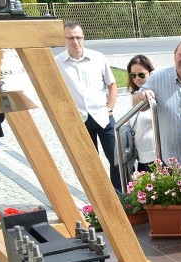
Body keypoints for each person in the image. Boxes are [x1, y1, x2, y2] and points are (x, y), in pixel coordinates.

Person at [55, 21, 120, 190]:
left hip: (103, 117)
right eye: (70, 38)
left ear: (83, 37)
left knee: (117, 159)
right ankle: (100, 196)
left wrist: (109, 108)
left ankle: (121, 195)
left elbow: (112, 85)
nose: (75, 42)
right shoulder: (58, 62)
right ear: (64, 39)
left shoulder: (98, 58)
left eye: (78, 37)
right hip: (79, 120)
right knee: (90, 164)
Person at [133, 40, 181, 167]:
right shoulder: (157, 78)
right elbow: (135, 103)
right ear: (174, 55)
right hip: (168, 161)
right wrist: (142, 95)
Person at [125, 55, 157, 172]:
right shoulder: (137, 95)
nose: (137, 78)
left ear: (150, 73)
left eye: (141, 75)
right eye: (133, 75)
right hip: (141, 157)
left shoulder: (154, 94)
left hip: (156, 156)